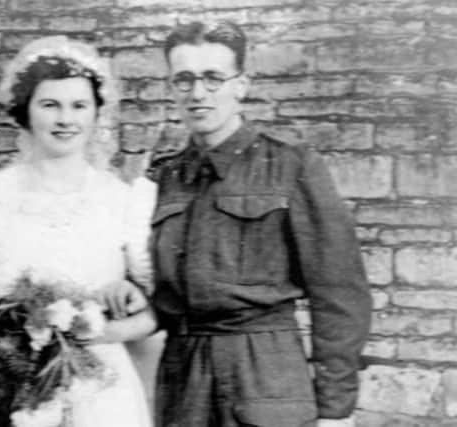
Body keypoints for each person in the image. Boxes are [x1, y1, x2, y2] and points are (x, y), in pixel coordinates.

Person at [0, 35, 158, 427]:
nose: (66, 119)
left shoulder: (123, 202)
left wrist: (92, 334)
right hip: (11, 386)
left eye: (79, 106)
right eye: (50, 105)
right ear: (26, 112)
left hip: (100, 389)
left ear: (97, 114)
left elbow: (152, 315)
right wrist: (1, 322)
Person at [143, 21, 371, 427]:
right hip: (183, 380)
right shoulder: (165, 178)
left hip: (266, 377)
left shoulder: (290, 165)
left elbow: (339, 292)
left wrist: (336, 410)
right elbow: (155, 290)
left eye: (213, 78)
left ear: (241, 85)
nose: (197, 93)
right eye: (184, 80)